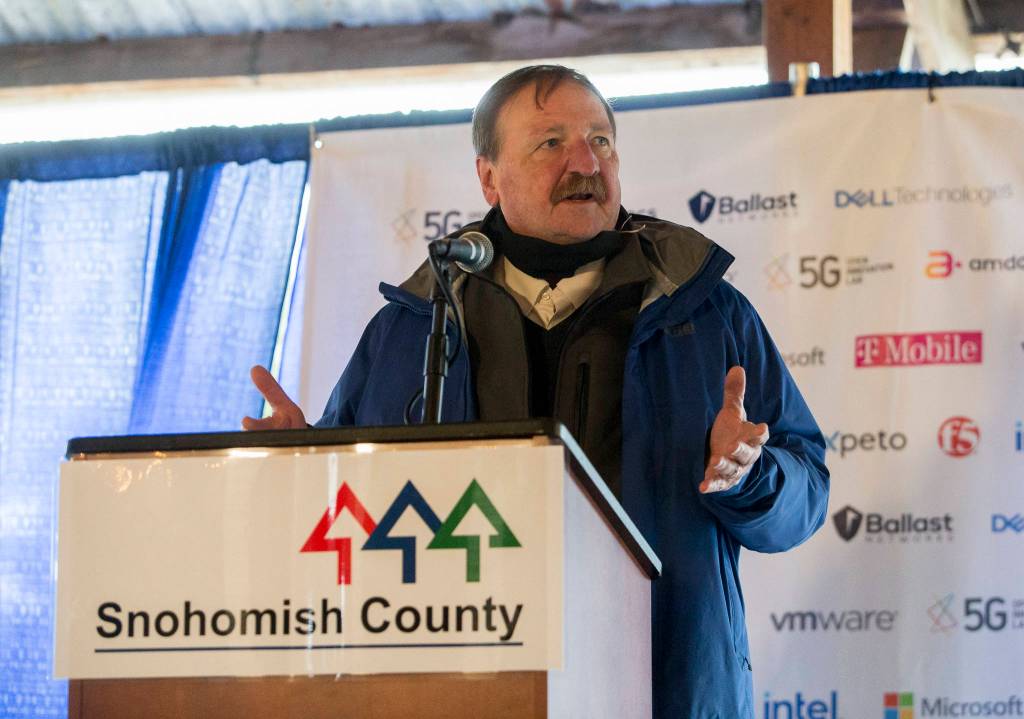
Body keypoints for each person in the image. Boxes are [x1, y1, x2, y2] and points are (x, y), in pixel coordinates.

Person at [243, 65, 830, 718]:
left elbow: (804, 496)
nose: (586, 162)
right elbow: (352, 513)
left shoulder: (709, 313)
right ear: (489, 177)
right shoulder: (412, 328)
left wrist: (752, 475)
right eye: (551, 142)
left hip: (662, 690)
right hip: (467, 693)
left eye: (601, 140)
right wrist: (299, 471)